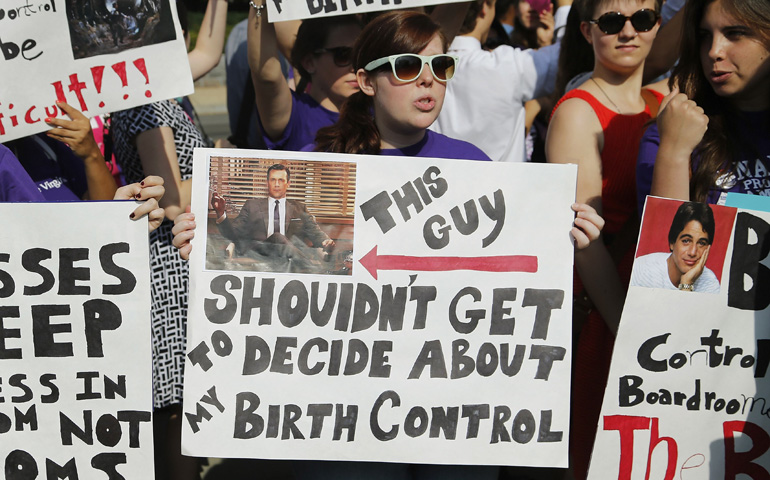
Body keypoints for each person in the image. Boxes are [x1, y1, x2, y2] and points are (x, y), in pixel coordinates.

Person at [110, 1, 229, 478]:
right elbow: (172, 198)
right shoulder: (146, 102)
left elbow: (210, 51)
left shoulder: (155, 87)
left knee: (178, 406)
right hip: (170, 263)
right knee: (176, 408)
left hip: (172, 254)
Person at [545, 0, 663, 477]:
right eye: (614, 21)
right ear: (588, 30)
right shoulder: (577, 113)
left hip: (655, 294)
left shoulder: (662, 104)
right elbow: (584, 237)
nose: (629, 31)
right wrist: (628, 331)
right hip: (603, 307)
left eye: (644, 19)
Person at [637, 0, 770, 208]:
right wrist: (675, 154)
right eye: (704, 36)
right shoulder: (672, 131)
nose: (714, 51)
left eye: (735, 33)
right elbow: (663, 239)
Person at [430, 0, 562, 163]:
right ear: (484, 7)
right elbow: (567, 58)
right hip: (506, 185)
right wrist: (565, 7)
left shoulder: (414, 66)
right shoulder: (506, 65)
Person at [211, 163, 334, 256]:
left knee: (281, 240)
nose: (276, 184)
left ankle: (303, 262)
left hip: (288, 257)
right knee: (277, 237)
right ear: (267, 183)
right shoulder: (251, 205)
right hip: (260, 254)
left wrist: (325, 241)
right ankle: (308, 265)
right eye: (273, 180)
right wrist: (221, 213)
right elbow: (233, 234)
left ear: (288, 183)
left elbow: (314, 232)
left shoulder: (299, 208)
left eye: (281, 180)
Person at [631, 201, 720, 293]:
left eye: (701, 243)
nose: (693, 252)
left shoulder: (710, 284)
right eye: (686, 241)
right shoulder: (642, 269)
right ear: (672, 243)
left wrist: (687, 284)